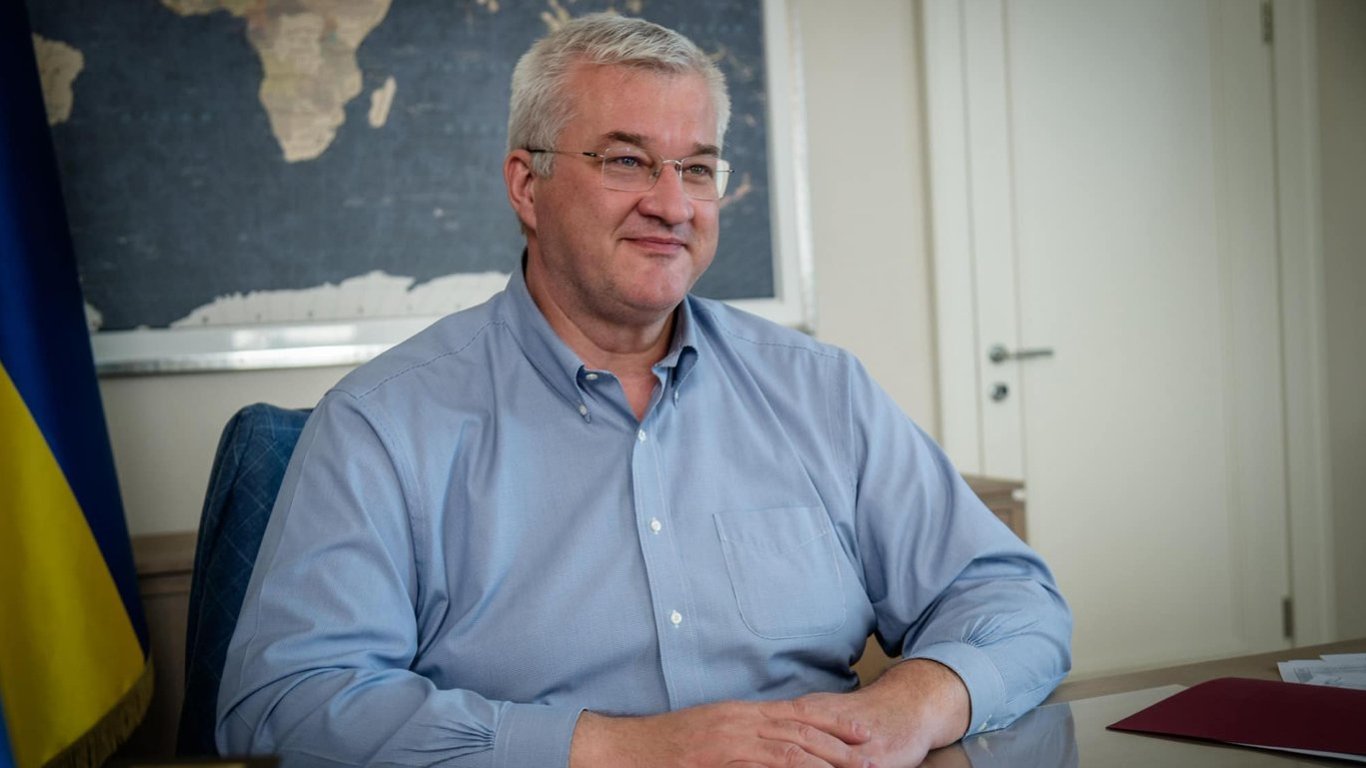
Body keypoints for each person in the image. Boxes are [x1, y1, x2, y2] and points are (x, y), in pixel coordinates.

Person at [217, 14, 1071, 768]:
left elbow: (1012, 599)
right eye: (627, 161)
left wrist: (911, 706)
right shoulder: (382, 422)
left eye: (696, 169)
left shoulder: (821, 390)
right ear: (527, 185)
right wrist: (621, 751)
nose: (672, 205)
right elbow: (285, 706)